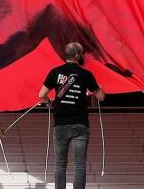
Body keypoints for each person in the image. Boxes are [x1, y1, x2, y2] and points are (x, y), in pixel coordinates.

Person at [39, 42, 105, 189]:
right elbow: (101, 97)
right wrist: (100, 88)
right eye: (81, 53)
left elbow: (41, 94)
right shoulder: (86, 74)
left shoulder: (55, 72)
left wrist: (49, 103)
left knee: (60, 163)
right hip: (80, 124)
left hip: (61, 124)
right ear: (77, 55)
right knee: (80, 164)